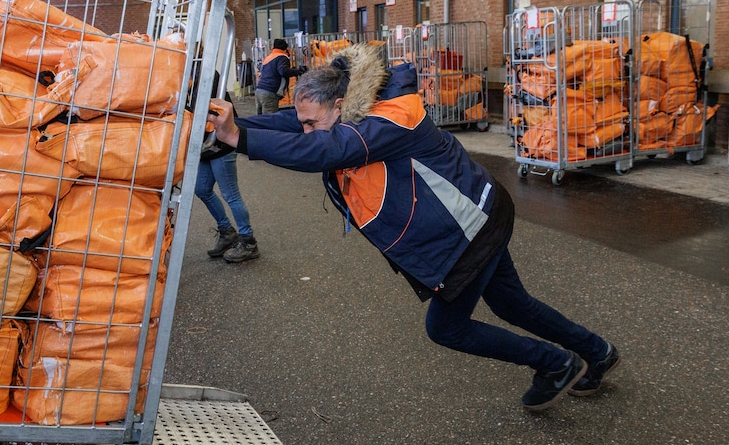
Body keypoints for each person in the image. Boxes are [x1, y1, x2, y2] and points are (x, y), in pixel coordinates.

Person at [207, 44, 621, 412]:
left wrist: (239, 138)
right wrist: (227, 129)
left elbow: (327, 149)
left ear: (340, 104)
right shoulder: (347, 113)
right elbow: (292, 126)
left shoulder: (390, 118)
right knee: (512, 304)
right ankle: (596, 351)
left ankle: (555, 363)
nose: (305, 129)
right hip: (477, 218)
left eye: (312, 122)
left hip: (470, 232)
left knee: (447, 328)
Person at [195, 146, 258, 263]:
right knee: (202, 190)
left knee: (231, 195)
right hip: (206, 150)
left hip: (222, 148)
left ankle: (248, 242)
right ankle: (227, 234)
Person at [254, 39, 306, 114]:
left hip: (259, 90)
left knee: (260, 118)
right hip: (270, 92)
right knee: (270, 118)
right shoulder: (282, 57)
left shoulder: (269, 57)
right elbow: (283, 71)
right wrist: (298, 71)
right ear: (285, 48)